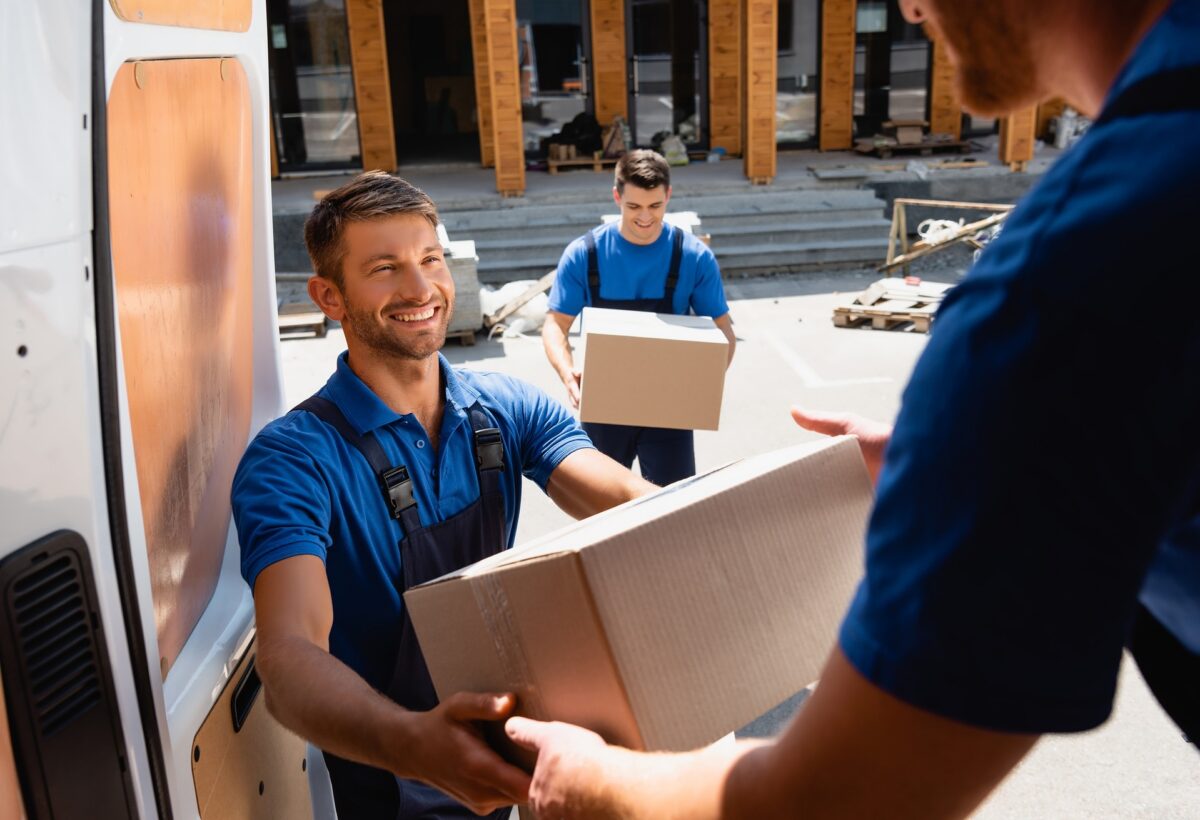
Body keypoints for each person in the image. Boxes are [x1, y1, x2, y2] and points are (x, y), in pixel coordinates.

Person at [504, 0, 1200, 816]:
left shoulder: (1067, 286)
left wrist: (582, 778)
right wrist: (969, 451)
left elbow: (834, 800)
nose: (906, 7)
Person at [231, 172, 657, 820]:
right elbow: (289, 657)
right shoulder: (292, 460)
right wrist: (415, 746)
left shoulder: (505, 408)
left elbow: (626, 495)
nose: (420, 288)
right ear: (329, 296)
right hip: (388, 782)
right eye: (385, 268)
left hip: (497, 752)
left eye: (431, 259)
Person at [541, 149, 736, 486]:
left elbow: (724, 334)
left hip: (669, 408)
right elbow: (555, 325)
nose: (645, 217)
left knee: (670, 507)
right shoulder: (584, 254)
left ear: (668, 196)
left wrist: (700, 383)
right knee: (600, 509)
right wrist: (567, 374)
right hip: (603, 406)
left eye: (655, 206)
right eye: (634, 206)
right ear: (617, 196)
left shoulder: (694, 257)